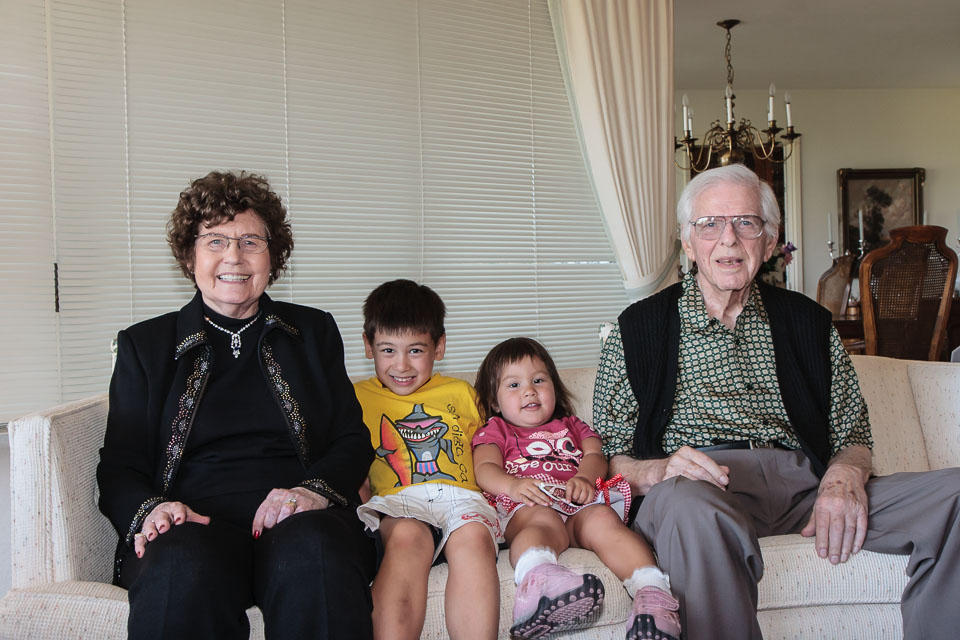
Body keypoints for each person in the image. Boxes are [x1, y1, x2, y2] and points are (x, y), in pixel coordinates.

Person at [593, 163, 960, 639]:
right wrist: (660, 471)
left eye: (746, 222)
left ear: (768, 243)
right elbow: (609, 457)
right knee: (691, 509)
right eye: (710, 224)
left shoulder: (808, 322)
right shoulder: (636, 329)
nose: (728, 239)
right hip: (698, 489)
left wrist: (843, 476)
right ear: (687, 242)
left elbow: (852, 434)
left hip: (803, 485)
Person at [96, 171, 376, 640]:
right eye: (215, 241)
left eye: (250, 241)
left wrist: (312, 492)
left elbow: (351, 438)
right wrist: (153, 511)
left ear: (273, 255)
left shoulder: (313, 332)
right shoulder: (144, 346)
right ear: (190, 255)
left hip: (298, 518)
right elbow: (119, 466)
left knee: (316, 550)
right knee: (179, 565)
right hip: (193, 525)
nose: (234, 256)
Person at [473, 337, 680, 640]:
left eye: (538, 380)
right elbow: (484, 468)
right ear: (494, 401)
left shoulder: (572, 425)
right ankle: (541, 586)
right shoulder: (496, 429)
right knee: (541, 519)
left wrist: (584, 477)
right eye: (514, 385)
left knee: (603, 519)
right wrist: (513, 485)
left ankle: (654, 597)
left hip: (577, 504)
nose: (529, 390)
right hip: (529, 505)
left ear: (554, 387)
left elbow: (596, 456)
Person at [353, 279, 500, 640]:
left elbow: (492, 446)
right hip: (399, 502)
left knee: (474, 537)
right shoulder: (355, 397)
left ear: (439, 347)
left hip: (463, 499)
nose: (401, 365)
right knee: (407, 537)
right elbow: (348, 459)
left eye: (415, 350)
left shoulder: (462, 393)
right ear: (368, 346)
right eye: (388, 350)